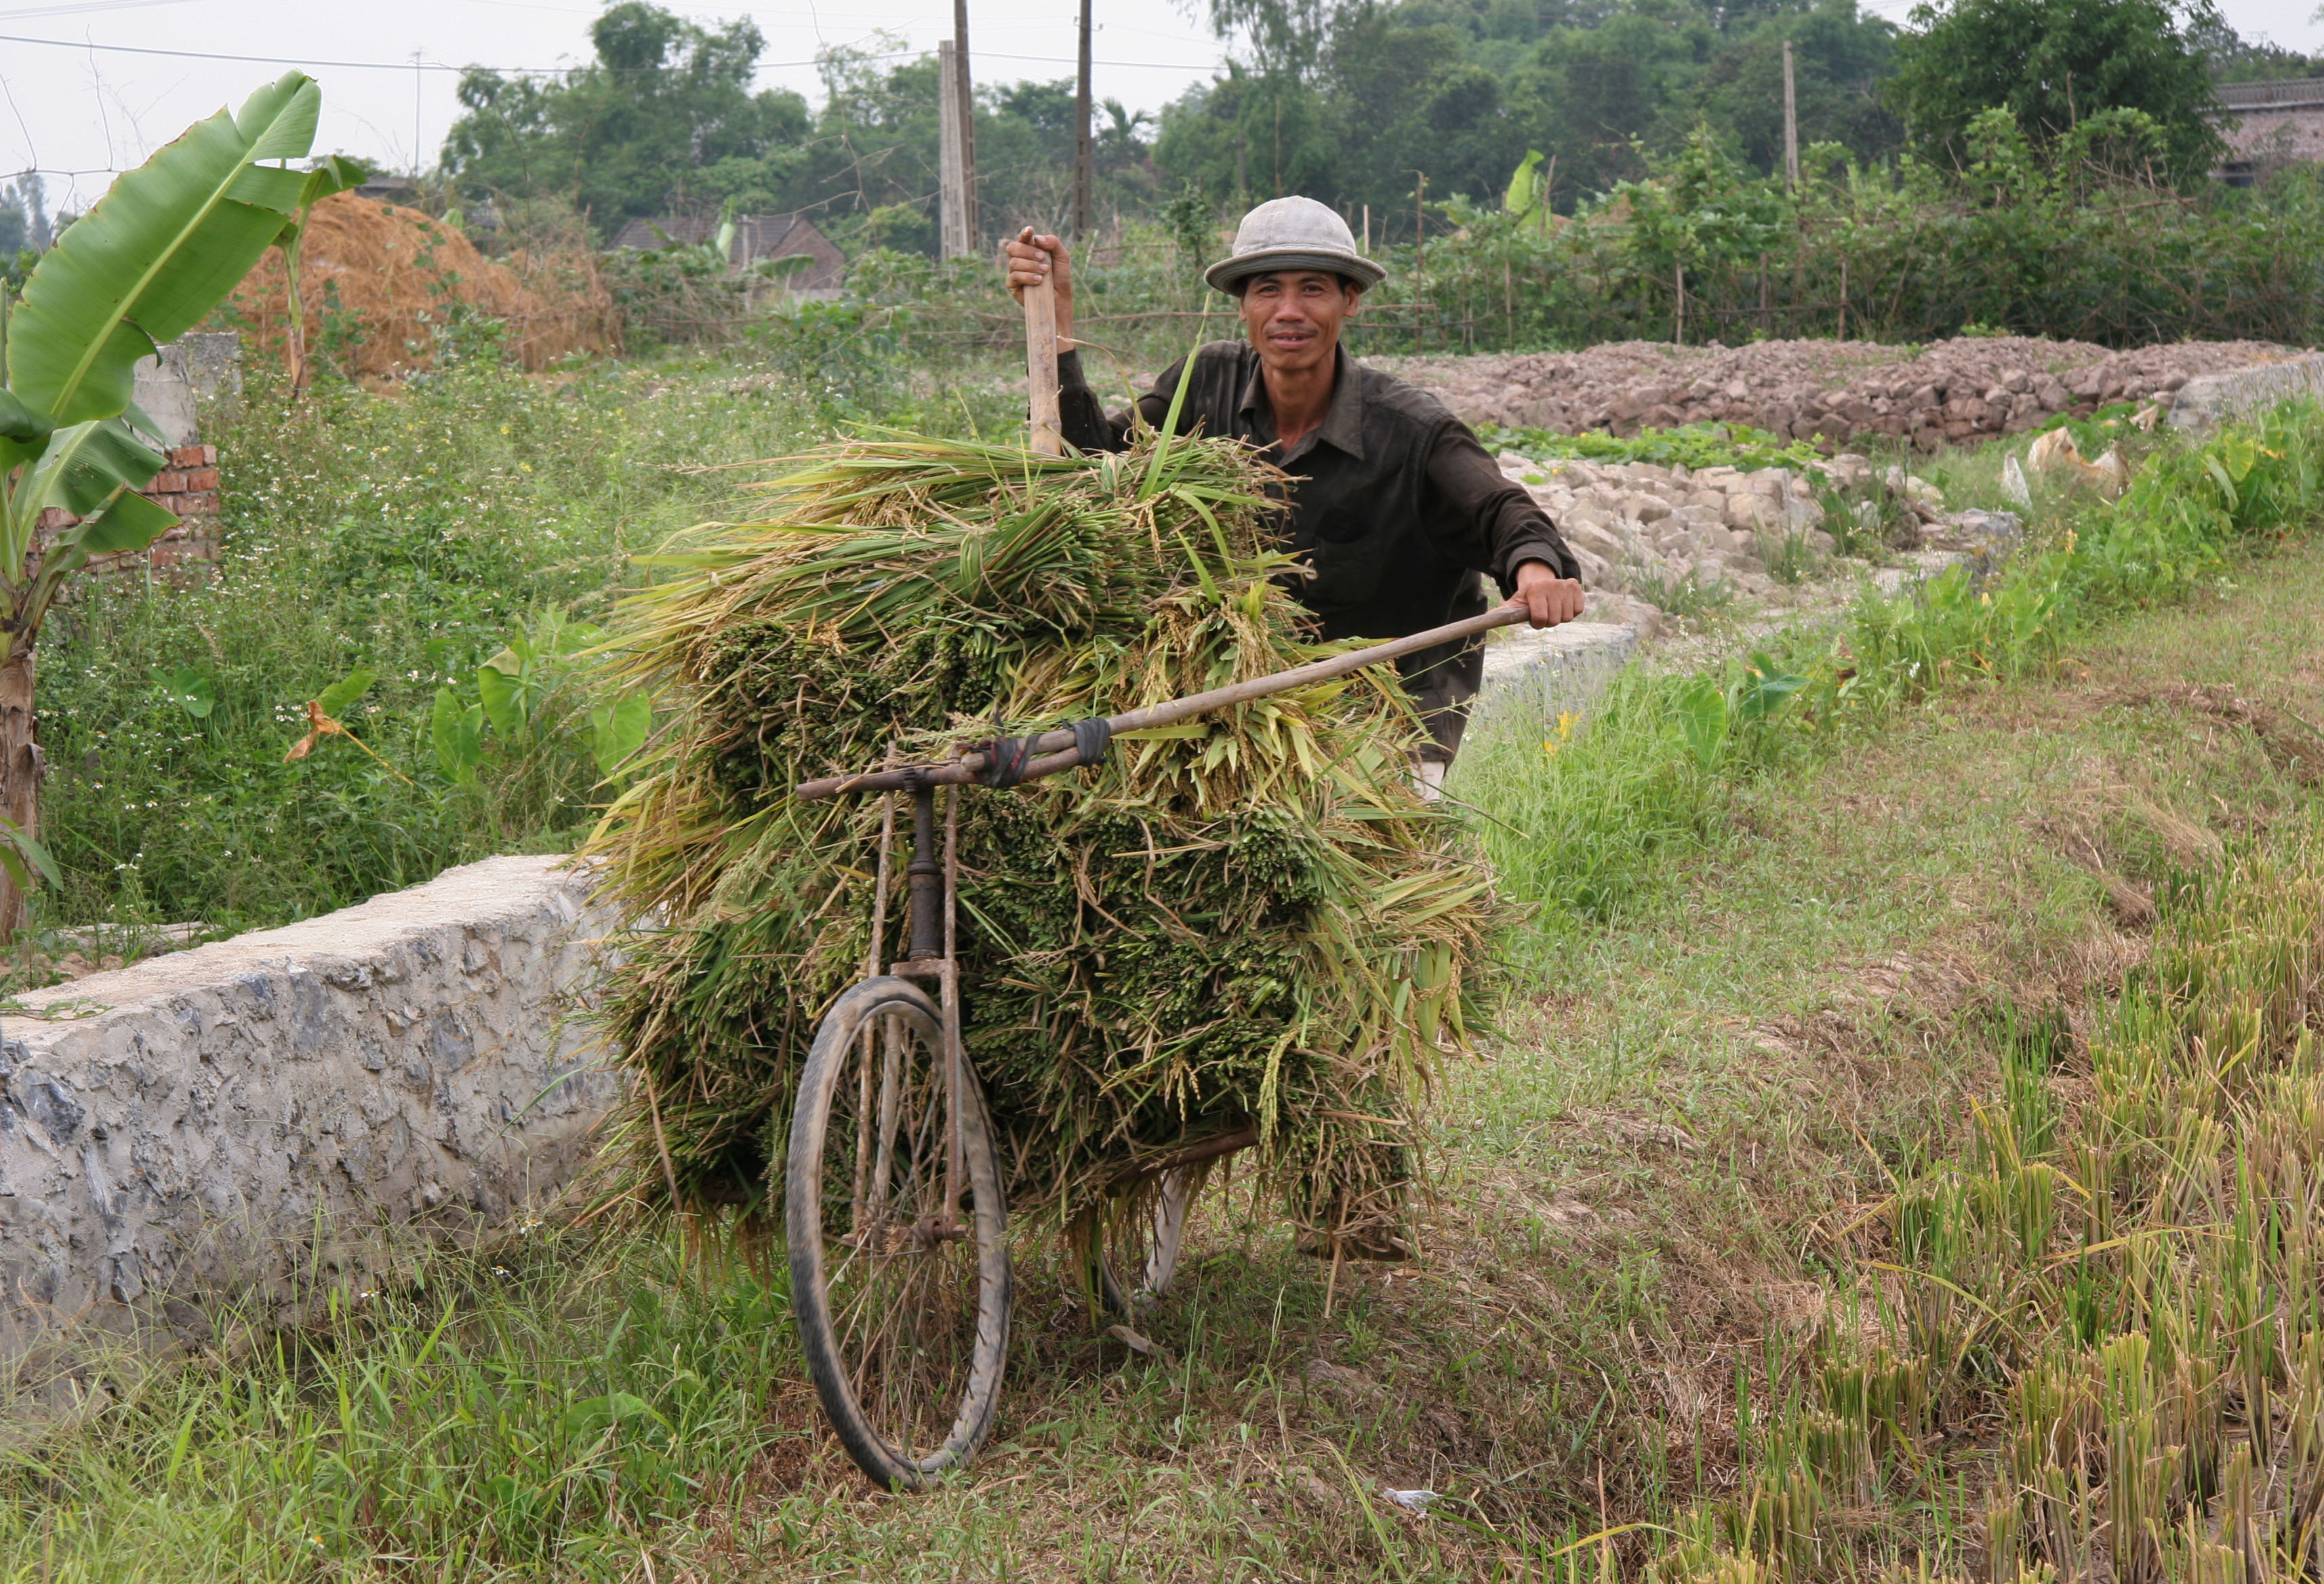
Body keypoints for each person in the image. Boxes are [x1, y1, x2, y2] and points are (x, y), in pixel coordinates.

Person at [1003, 195, 1584, 791]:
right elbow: (1089, 472)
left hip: (1388, 715)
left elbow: (1502, 509)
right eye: (1267, 291)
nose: (1289, 312)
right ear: (1242, 306)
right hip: (1235, 711)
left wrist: (1537, 573)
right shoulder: (1202, 391)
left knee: (1386, 871)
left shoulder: (1411, 431)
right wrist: (1057, 328)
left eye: (1313, 289)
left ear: (1348, 301)